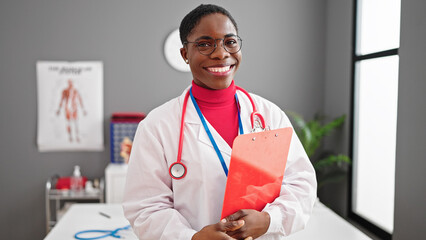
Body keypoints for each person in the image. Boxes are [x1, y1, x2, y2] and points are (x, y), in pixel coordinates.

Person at [123, 4, 317, 240]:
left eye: (230, 41)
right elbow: (145, 208)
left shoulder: (269, 115)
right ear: (185, 54)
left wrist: (269, 220)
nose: (221, 53)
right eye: (205, 44)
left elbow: (301, 184)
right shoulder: (157, 126)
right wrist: (192, 238)